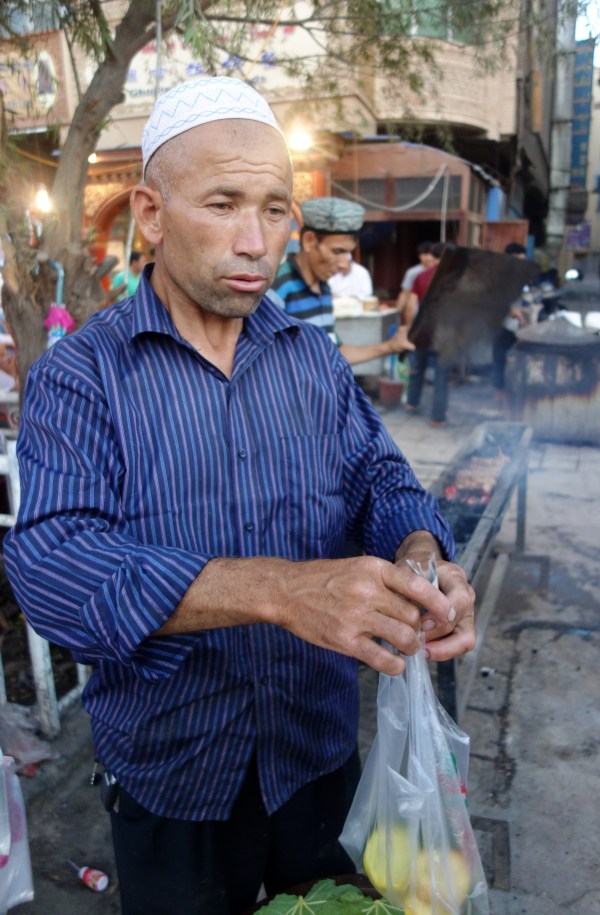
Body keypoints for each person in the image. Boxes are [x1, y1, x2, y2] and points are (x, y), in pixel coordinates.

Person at [4, 77, 475, 915]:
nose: (255, 241)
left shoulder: (309, 358)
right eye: (223, 204)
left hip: (316, 755)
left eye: (274, 209)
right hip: (175, 774)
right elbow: (55, 565)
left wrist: (420, 554)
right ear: (150, 213)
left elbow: (380, 477)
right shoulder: (83, 377)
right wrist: (280, 589)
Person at [270, 197, 411, 366]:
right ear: (309, 241)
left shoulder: (324, 288)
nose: (345, 264)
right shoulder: (278, 287)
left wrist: (390, 346)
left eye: (348, 253)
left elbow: (333, 353)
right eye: (337, 251)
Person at [404, 242, 452, 426]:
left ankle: (411, 403)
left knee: (417, 369)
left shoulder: (421, 276)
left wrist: (410, 328)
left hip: (423, 330)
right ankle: (437, 418)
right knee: (441, 375)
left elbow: (411, 305)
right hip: (446, 333)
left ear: (434, 255)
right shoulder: (454, 279)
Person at [491, 242, 528, 401]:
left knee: (512, 359)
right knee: (500, 359)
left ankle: (510, 391)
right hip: (501, 325)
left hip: (514, 326)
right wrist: (512, 311)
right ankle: (499, 394)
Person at [396, 241, 434, 323]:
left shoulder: (442, 270)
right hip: (417, 313)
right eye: (423, 254)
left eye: (429, 254)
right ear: (419, 256)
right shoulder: (413, 272)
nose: (427, 258)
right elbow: (405, 293)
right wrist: (397, 313)